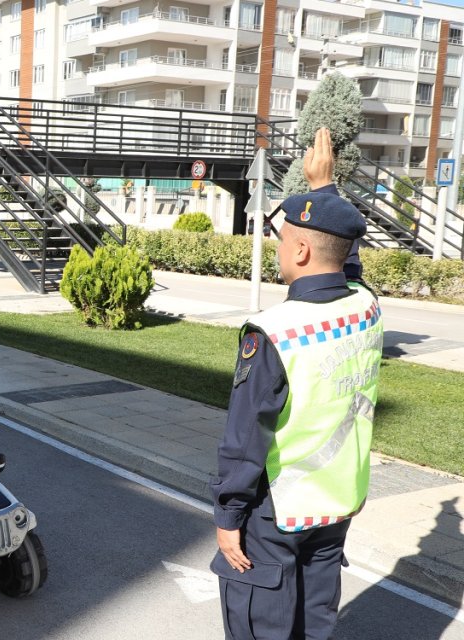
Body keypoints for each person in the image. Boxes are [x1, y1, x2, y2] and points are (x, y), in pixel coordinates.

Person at [210, 127, 382, 640]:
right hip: (337, 501)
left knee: (262, 624)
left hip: (277, 510)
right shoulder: (366, 308)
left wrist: (228, 515)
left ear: (302, 250)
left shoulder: (275, 332)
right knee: (315, 621)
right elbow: (345, 257)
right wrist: (324, 189)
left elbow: (245, 440)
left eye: (283, 239)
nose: (279, 247)